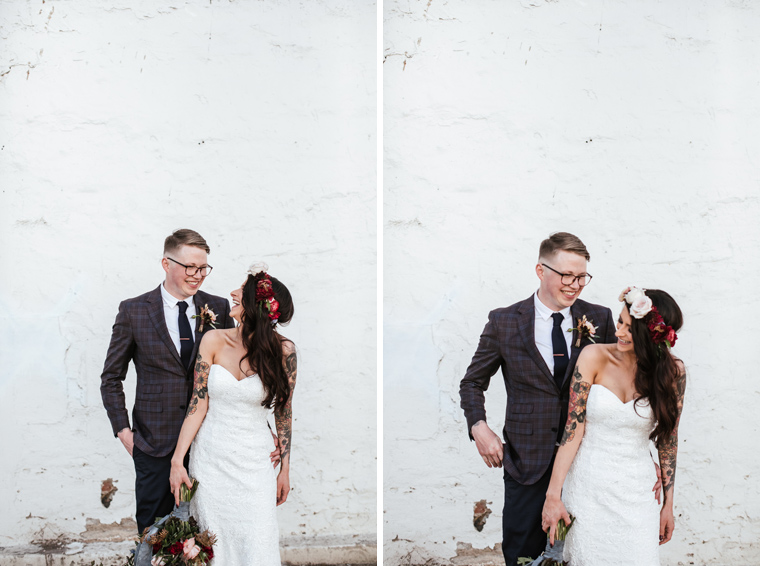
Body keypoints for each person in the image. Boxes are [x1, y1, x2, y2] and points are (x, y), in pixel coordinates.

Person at [459, 232, 619, 566]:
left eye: (581, 277)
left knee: (584, 553)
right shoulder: (504, 321)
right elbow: (473, 382)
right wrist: (479, 427)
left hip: (588, 460)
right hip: (526, 462)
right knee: (523, 556)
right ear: (540, 270)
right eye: (566, 275)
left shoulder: (600, 318)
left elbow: (622, 384)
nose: (574, 285)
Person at [101, 229, 236, 534]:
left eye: (203, 267)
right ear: (166, 263)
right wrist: (124, 431)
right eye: (190, 266)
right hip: (153, 443)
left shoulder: (218, 308)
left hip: (210, 440)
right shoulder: (134, 311)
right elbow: (111, 377)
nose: (197, 275)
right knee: (154, 534)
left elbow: (234, 373)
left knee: (207, 532)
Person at [541, 287, 686, 565]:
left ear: (652, 336)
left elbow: (669, 439)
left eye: (630, 329)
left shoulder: (673, 373)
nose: (619, 332)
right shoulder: (593, 356)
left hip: (637, 492)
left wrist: (668, 505)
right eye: (620, 322)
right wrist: (553, 495)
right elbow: (572, 431)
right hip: (587, 487)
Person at [169, 262, 297, 566]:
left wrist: (285, 469)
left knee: (256, 539)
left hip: (255, 463)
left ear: (258, 304)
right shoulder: (213, 341)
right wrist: (178, 460)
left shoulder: (284, 352)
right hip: (211, 461)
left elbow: (284, 409)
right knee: (214, 542)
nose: (232, 293)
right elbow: (197, 404)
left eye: (242, 289)